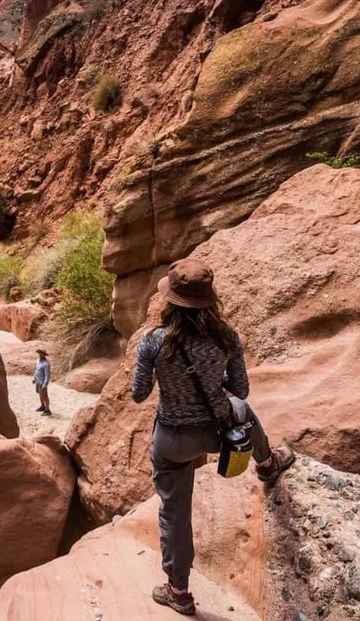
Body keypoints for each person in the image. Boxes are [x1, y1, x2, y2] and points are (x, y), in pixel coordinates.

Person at [131, 258, 295, 616]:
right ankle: (267, 462)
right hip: (217, 434)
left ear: (170, 300)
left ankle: (178, 591)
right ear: (209, 299)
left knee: (174, 513)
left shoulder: (153, 342)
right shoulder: (226, 337)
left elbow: (139, 394)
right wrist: (212, 383)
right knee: (243, 412)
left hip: (172, 440)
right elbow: (240, 389)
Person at [34, 348, 51, 416]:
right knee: (40, 394)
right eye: (39, 354)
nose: (40, 355)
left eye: (41, 354)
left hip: (42, 382)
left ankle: (48, 410)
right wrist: (34, 378)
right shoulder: (38, 360)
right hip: (38, 381)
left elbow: (47, 375)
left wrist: (45, 384)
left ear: (44, 355)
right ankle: (42, 406)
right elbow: (36, 370)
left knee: (45, 395)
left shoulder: (46, 364)